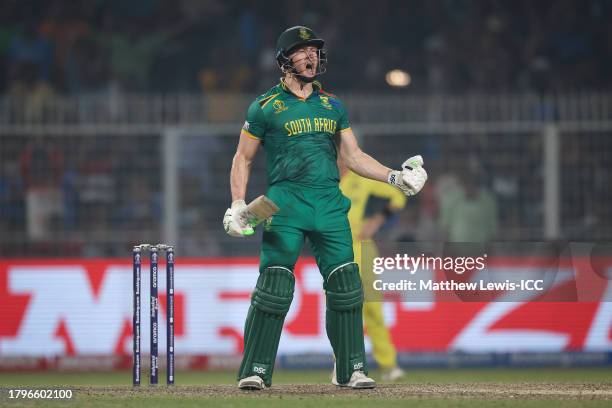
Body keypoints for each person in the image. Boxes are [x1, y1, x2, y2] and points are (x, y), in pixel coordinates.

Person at [223, 26, 427, 390]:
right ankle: (255, 369)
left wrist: (395, 177)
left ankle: (350, 369)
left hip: (330, 204)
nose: (311, 56)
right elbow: (243, 158)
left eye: (315, 50)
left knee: (347, 286)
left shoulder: (333, 104)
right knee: (274, 287)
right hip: (283, 204)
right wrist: (238, 203)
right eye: (302, 51)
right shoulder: (265, 107)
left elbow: (354, 156)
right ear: (285, 59)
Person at [338, 161, 407, 381]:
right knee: (341, 307)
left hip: (363, 246)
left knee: (373, 307)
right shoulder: (322, 180)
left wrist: (378, 219)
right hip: (335, 247)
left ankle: (388, 364)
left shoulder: (361, 177)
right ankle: (342, 364)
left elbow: (398, 195)